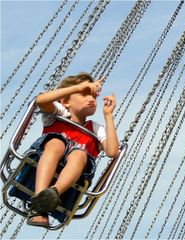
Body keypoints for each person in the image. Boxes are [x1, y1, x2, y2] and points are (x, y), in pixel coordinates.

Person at [27, 72, 119, 227]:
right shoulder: (59, 113)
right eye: (85, 94)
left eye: (94, 97)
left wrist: (108, 116)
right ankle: (40, 200)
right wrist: (76, 87)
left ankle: (52, 193)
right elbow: (40, 101)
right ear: (65, 101)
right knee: (57, 143)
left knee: (79, 154)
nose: (91, 99)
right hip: (46, 156)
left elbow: (112, 152)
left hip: (75, 174)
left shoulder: (96, 129)